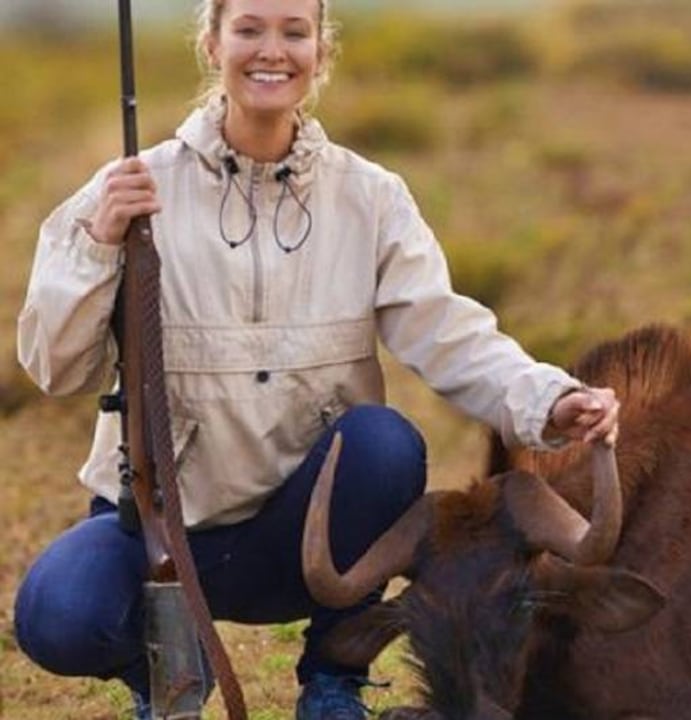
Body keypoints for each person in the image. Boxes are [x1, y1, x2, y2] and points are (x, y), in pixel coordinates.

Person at [12, 0, 619, 718]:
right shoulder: (131, 190)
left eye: (295, 32)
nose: (273, 50)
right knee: (56, 618)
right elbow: (54, 369)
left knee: (385, 445)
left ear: (320, 53)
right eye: (249, 29)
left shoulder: (372, 197)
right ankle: (167, 669)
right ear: (212, 44)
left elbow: (450, 332)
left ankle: (333, 681)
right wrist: (98, 241)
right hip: (161, 531)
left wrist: (546, 399)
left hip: (306, 543)